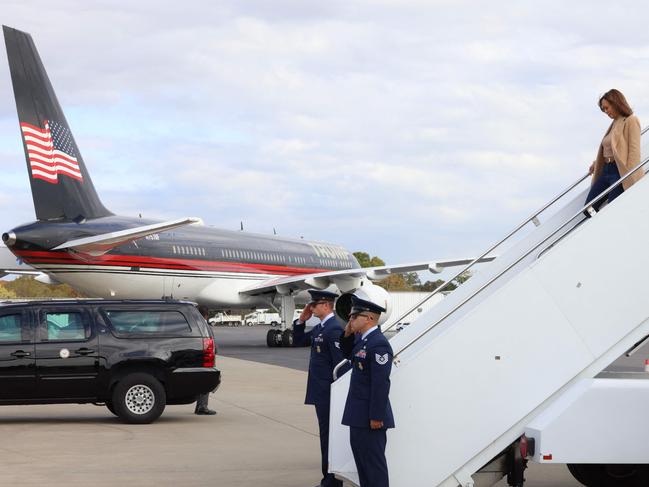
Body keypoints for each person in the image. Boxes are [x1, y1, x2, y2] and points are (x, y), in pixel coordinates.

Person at [293, 289, 347, 487]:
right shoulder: (320, 328)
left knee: (329, 437)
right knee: (326, 436)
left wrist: (337, 393)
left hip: (329, 394)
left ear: (326, 305)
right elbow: (298, 340)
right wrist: (301, 321)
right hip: (321, 393)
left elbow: (341, 366)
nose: (311, 308)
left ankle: (332, 481)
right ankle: (329, 479)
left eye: (314, 305)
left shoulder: (333, 329)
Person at [340, 295, 394, 487]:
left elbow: (381, 383)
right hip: (358, 416)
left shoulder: (378, 344)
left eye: (354, 317)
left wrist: (376, 416)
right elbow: (347, 354)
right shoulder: (362, 341)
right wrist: (346, 334)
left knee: (374, 468)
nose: (350, 321)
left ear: (369, 318)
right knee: (363, 467)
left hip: (371, 419)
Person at [585, 89, 643, 213]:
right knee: (588, 209)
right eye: (603, 110)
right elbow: (612, 148)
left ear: (616, 103)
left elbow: (634, 152)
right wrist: (597, 163)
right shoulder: (614, 123)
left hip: (620, 172)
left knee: (612, 209)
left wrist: (628, 177)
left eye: (607, 108)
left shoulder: (630, 120)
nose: (606, 112)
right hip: (606, 170)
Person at [195, 305, 217, 416]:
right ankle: (202, 406)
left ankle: (199, 405)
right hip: (205, 356)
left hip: (196, 355)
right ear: (206, 315)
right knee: (206, 380)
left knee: (199, 380)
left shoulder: (196, 324)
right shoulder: (204, 325)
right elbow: (210, 340)